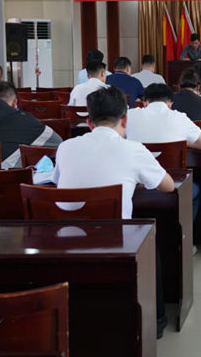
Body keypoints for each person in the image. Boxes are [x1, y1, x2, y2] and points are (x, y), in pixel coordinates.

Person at [51, 86, 175, 339]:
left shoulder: (65, 147)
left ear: (89, 122)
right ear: (125, 120)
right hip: (114, 242)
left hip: (65, 240)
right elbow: (168, 186)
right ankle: (156, 319)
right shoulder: (134, 149)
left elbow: (57, 182)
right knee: (150, 237)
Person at [127, 83, 201, 222]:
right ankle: (184, 232)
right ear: (170, 104)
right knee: (197, 189)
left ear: (144, 103)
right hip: (172, 183)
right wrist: (183, 142)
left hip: (135, 186)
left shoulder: (130, 115)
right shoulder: (179, 118)